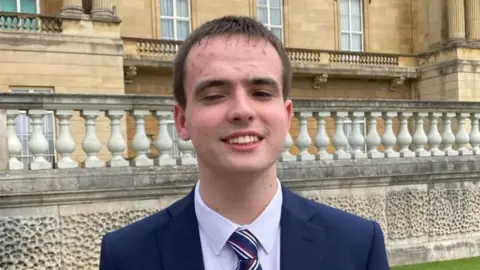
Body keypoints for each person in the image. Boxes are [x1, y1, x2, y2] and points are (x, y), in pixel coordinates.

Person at [99, 15, 390, 270]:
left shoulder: (358, 245)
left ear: (287, 116)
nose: (242, 111)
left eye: (261, 93)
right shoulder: (126, 256)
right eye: (213, 95)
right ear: (182, 121)